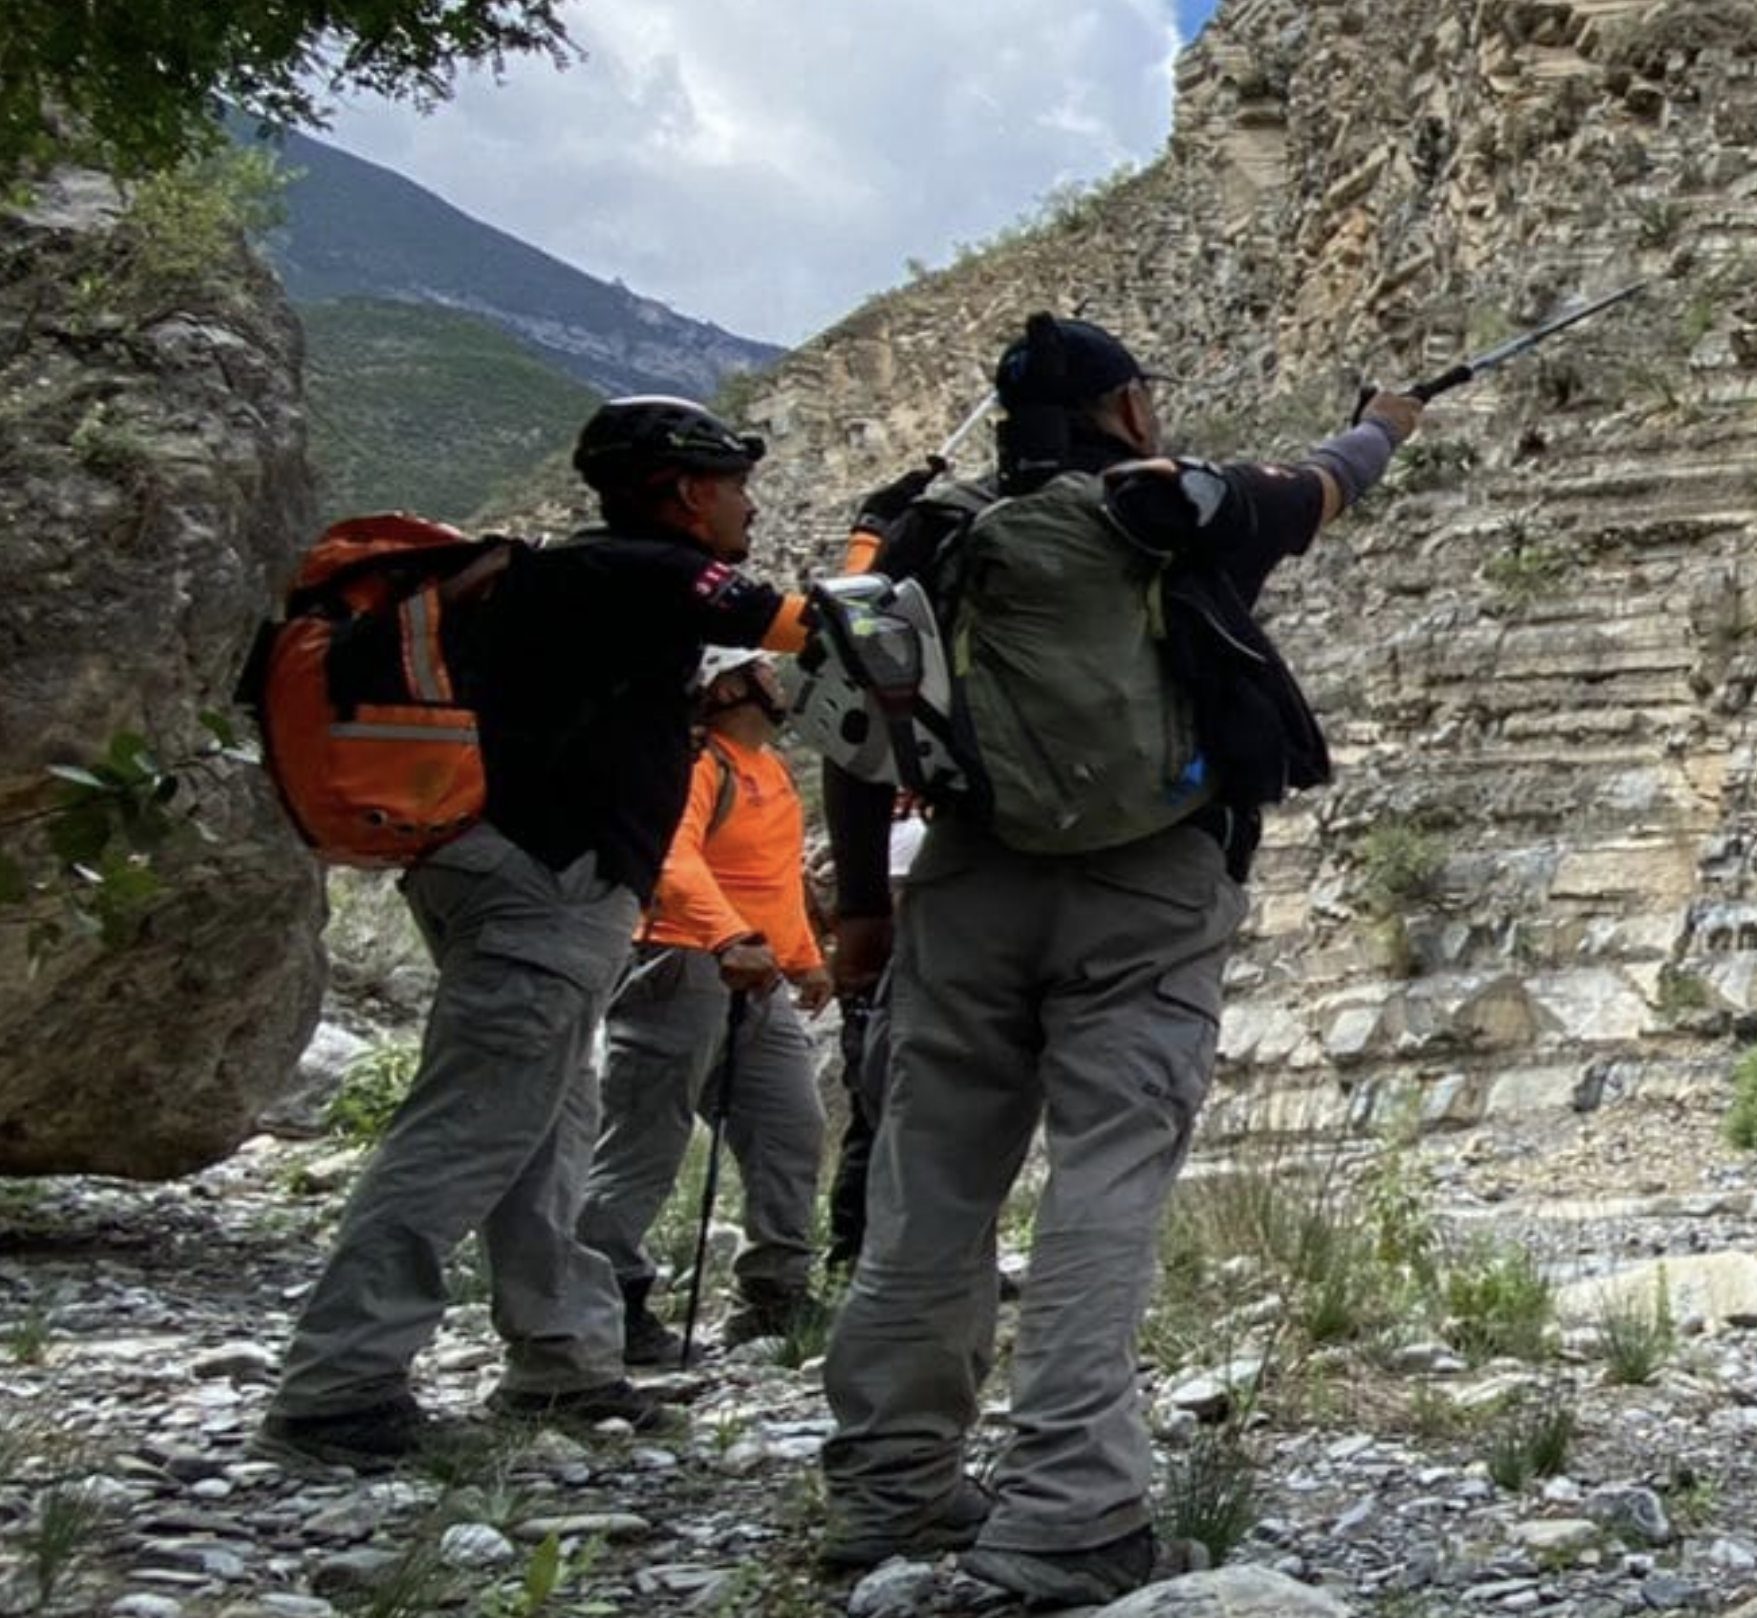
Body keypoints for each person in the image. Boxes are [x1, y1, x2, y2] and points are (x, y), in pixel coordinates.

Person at [815, 313, 1423, 1604]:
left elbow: (857, 725)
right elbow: (1337, 473)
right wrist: (1388, 417)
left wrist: (861, 906)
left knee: (930, 1177)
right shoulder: (1180, 508)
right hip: (1150, 886)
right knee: (1105, 1172)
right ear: (1128, 411)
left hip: (966, 881)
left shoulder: (928, 534)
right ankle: (1066, 1508)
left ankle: (891, 1486)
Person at [254, 395, 815, 1471]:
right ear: (689, 490)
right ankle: (338, 1382)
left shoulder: (578, 581)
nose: (747, 501)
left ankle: (562, 1359)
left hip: (523, 880)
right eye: (735, 482)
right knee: (468, 1126)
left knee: (550, 1124)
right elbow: (799, 621)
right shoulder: (639, 570)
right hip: (542, 889)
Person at [580, 646, 836, 1363]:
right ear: (728, 684)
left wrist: (803, 960)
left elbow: (775, 878)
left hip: (754, 975)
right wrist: (728, 936)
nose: (777, 679)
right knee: (644, 1141)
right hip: (679, 961)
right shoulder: (697, 763)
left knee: (791, 1126)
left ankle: (774, 1290)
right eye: (762, 669)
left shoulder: (771, 771)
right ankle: (605, 1300)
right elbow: (671, 856)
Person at [820, 798, 924, 1274]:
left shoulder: (900, 825)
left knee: (902, 1116)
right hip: (882, 981)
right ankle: (854, 1249)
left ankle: (881, 1249)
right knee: (874, 1116)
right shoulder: (894, 829)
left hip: (907, 982)